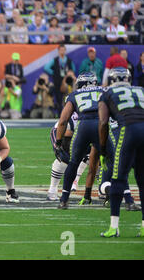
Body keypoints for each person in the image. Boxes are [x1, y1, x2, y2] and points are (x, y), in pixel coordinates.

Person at [98, 68, 144, 237]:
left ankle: (114, 227)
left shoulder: (108, 93)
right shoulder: (140, 90)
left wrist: (103, 150)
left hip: (129, 130)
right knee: (142, 180)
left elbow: (103, 123)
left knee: (117, 178)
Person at [55, 72, 105, 209]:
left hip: (84, 126)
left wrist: (58, 142)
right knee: (110, 162)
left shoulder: (74, 95)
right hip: (102, 125)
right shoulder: (104, 90)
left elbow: (63, 120)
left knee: (74, 162)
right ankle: (122, 197)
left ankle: (64, 199)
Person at [47, 110, 90, 201]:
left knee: (97, 158)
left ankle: (103, 188)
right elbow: (63, 127)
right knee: (64, 159)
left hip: (84, 134)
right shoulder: (72, 117)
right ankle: (52, 190)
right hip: (62, 132)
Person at [44, 44, 76, 113]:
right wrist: (54, 73)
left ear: (65, 51)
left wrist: (70, 74)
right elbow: (46, 67)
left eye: (63, 50)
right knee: (58, 99)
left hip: (68, 82)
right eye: (61, 50)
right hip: (58, 82)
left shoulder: (69, 61)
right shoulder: (55, 60)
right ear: (58, 51)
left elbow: (73, 70)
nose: (62, 51)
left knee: (68, 97)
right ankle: (59, 113)